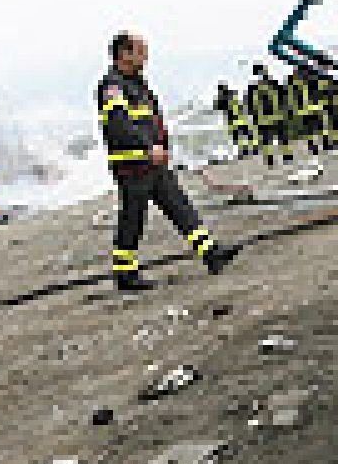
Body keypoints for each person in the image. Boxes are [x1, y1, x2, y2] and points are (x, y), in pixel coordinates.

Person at [97, 32, 238, 290]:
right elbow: (118, 124)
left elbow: (151, 121)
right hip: (133, 165)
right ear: (124, 54)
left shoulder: (137, 84)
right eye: (141, 52)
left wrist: (161, 147)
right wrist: (148, 146)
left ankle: (211, 254)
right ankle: (125, 274)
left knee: (180, 206)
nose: (146, 57)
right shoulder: (113, 86)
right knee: (133, 217)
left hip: (154, 162)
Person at [246, 62, 290, 166]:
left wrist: (253, 117)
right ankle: (286, 157)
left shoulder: (254, 88)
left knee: (267, 141)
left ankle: (270, 160)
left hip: (263, 120)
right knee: (282, 139)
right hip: (277, 117)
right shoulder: (275, 85)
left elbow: (250, 104)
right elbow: (284, 99)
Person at [285, 66, 322, 156]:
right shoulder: (300, 83)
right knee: (310, 128)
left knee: (311, 128)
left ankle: (312, 145)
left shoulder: (300, 82)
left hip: (306, 110)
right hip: (306, 110)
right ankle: (312, 146)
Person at [214, 79, 255, 158]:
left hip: (233, 121)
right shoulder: (232, 94)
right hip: (240, 118)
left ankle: (244, 151)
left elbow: (217, 107)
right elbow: (241, 104)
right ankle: (250, 149)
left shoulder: (221, 99)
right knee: (247, 134)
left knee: (239, 136)